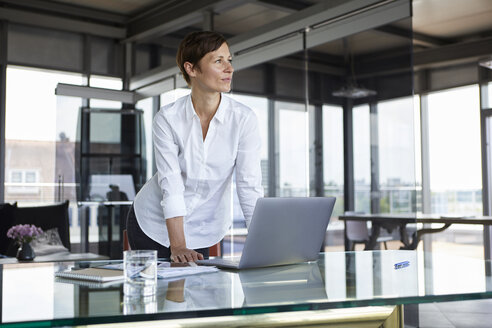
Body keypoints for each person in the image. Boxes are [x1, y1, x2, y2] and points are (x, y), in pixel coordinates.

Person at [126, 31, 264, 263]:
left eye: (229, 60)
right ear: (192, 69)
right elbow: (171, 185)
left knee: (200, 295)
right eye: (218, 61)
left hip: (204, 229)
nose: (229, 68)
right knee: (163, 296)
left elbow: (249, 186)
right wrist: (178, 246)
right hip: (153, 224)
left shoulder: (244, 119)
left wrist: (262, 246)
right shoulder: (168, 118)